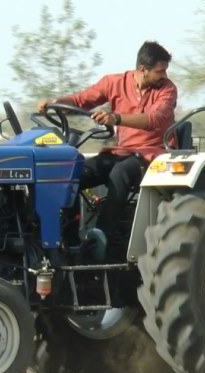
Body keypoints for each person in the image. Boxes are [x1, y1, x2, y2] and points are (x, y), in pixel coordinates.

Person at [37, 41, 177, 240]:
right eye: (160, 71)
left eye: (164, 71)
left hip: (153, 155)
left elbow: (155, 119)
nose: (164, 76)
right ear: (142, 69)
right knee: (73, 174)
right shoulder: (114, 83)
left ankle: (101, 238)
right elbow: (80, 101)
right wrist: (54, 103)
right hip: (122, 152)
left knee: (119, 173)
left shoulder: (167, 89)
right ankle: (68, 240)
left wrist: (116, 118)